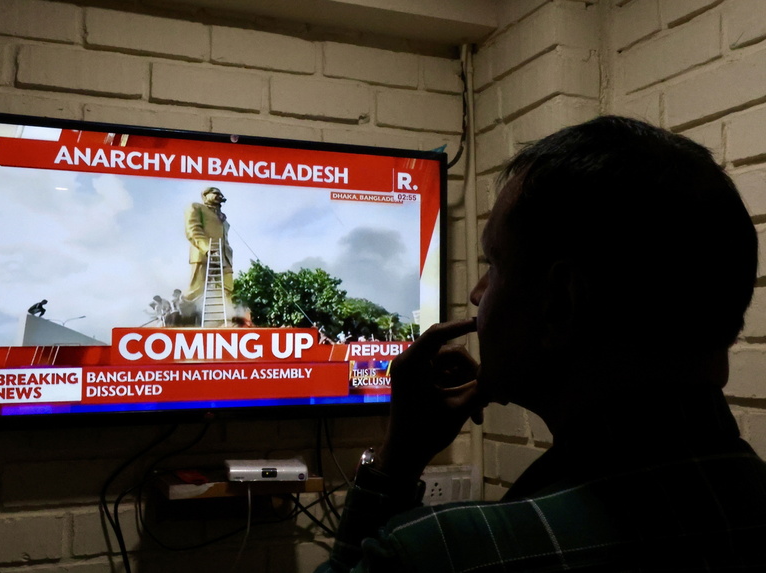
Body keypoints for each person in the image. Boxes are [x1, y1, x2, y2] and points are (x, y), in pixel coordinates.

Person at [317, 116, 766, 572]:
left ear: (560, 303)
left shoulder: (442, 555)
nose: (476, 293)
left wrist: (398, 459)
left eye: (494, 265)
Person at [183, 187, 233, 304]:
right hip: (204, 254)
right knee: (197, 288)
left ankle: (228, 315)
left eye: (221, 194)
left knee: (227, 288)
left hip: (225, 257)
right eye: (215, 193)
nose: (219, 196)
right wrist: (208, 248)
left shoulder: (223, 218)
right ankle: (182, 309)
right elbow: (193, 230)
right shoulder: (196, 207)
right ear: (205, 196)